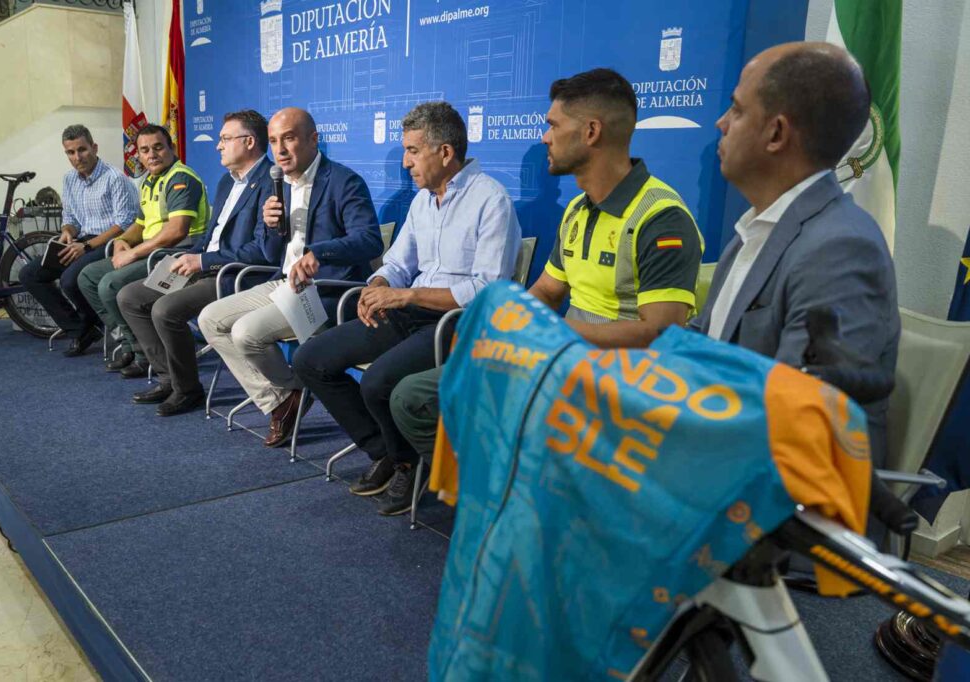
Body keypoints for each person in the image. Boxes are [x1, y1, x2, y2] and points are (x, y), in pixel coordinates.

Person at [390, 68, 703, 490]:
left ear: (591, 132)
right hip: (564, 357)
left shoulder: (661, 216)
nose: (544, 137)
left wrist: (552, 334)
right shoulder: (578, 209)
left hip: (621, 377)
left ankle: (518, 500)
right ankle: (496, 495)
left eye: (554, 125)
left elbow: (660, 333)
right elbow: (547, 291)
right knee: (414, 396)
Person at [292, 101, 522, 516]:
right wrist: (378, 285)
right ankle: (389, 452)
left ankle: (404, 464)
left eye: (413, 151)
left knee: (377, 383)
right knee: (312, 359)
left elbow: (488, 290)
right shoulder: (422, 202)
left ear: (445, 153)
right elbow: (398, 264)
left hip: (458, 323)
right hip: (409, 313)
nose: (405, 162)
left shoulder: (491, 200)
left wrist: (407, 295)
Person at [691, 41, 899, 469]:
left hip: (783, 512)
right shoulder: (755, 229)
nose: (721, 123)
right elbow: (702, 344)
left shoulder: (840, 249)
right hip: (720, 463)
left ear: (776, 134)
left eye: (736, 110)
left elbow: (802, 422)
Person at [197, 108, 382, 440]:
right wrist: (270, 229)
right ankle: (283, 398)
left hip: (327, 290)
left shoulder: (342, 181)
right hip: (283, 282)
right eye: (273, 141)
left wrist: (320, 253)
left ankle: (294, 393)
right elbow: (270, 255)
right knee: (210, 318)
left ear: (313, 139)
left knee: (245, 333)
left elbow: (369, 240)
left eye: (289, 139)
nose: (280, 150)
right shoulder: (276, 183)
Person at [116, 110, 281, 416]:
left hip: (234, 276)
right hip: (205, 265)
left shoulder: (270, 184)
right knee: (130, 297)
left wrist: (203, 259)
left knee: (165, 310)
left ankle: (187, 390)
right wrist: (190, 255)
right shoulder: (225, 182)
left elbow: (260, 252)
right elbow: (210, 234)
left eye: (224, 139)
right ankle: (169, 377)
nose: (218, 146)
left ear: (248, 142)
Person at [78, 124, 209, 378]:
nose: (151, 155)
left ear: (171, 148)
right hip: (154, 252)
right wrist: (122, 240)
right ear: (137, 154)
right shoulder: (149, 181)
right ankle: (129, 344)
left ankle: (144, 355)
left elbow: (176, 231)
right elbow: (140, 224)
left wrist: (133, 253)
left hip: (179, 255)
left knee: (110, 285)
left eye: (158, 147)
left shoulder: (181, 178)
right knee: (88, 277)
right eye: (144, 150)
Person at [17, 125, 137, 356]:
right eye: (70, 152)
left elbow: (125, 224)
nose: (77, 157)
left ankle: (91, 327)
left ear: (94, 147)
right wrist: (67, 231)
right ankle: (80, 329)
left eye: (82, 150)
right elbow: (70, 218)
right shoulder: (70, 179)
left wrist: (87, 246)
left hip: (111, 242)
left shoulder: (114, 178)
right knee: (30, 275)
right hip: (81, 241)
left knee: (70, 279)